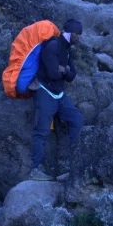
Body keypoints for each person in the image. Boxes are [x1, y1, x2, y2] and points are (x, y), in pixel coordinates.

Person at [30, 19, 85, 181]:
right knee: (41, 131)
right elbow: (53, 73)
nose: (80, 38)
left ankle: (73, 165)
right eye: (78, 34)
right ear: (70, 33)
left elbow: (72, 76)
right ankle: (35, 169)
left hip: (59, 94)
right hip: (45, 92)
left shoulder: (67, 49)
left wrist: (63, 69)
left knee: (77, 119)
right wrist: (63, 70)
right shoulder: (53, 45)